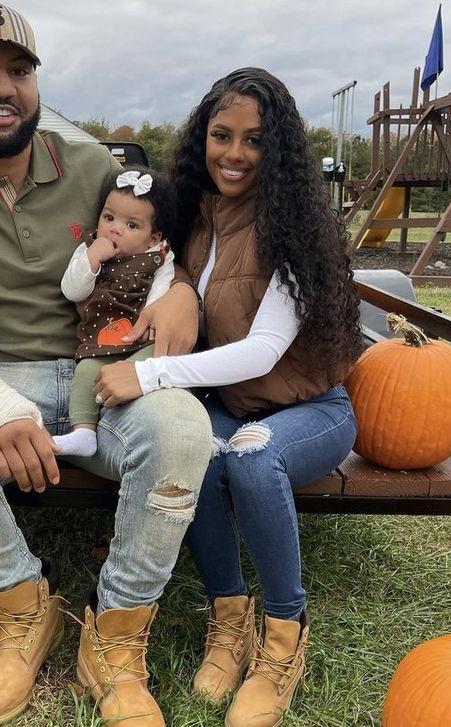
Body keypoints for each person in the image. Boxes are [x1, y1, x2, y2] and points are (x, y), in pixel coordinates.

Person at [0, 4, 212, 726]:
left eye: (18, 70)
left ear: (35, 80)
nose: (2, 87)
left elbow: (157, 249)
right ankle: (24, 605)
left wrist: (182, 295)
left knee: (182, 428)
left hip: (103, 368)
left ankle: (114, 635)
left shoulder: (88, 165)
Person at [95, 67, 364, 727]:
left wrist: (149, 376)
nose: (235, 153)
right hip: (233, 402)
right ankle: (228, 620)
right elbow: (173, 270)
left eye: (253, 140)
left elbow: (265, 348)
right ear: (202, 139)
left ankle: (283, 639)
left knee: (248, 456)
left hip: (310, 410)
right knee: (198, 451)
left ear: (278, 152)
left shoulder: (297, 229)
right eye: (222, 135)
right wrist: (180, 288)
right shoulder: (197, 215)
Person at [54, 166, 176, 457]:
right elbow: (72, 291)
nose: (115, 229)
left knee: (165, 358)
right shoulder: (89, 250)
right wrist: (93, 259)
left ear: (152, 236)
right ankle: (84, 432)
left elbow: (162, 293)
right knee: (84, 373)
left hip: (143, 340)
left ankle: (154, 414)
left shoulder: (158, 257)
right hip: (101, 343)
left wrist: (153, 320)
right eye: (109, 217)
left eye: (132, 225)